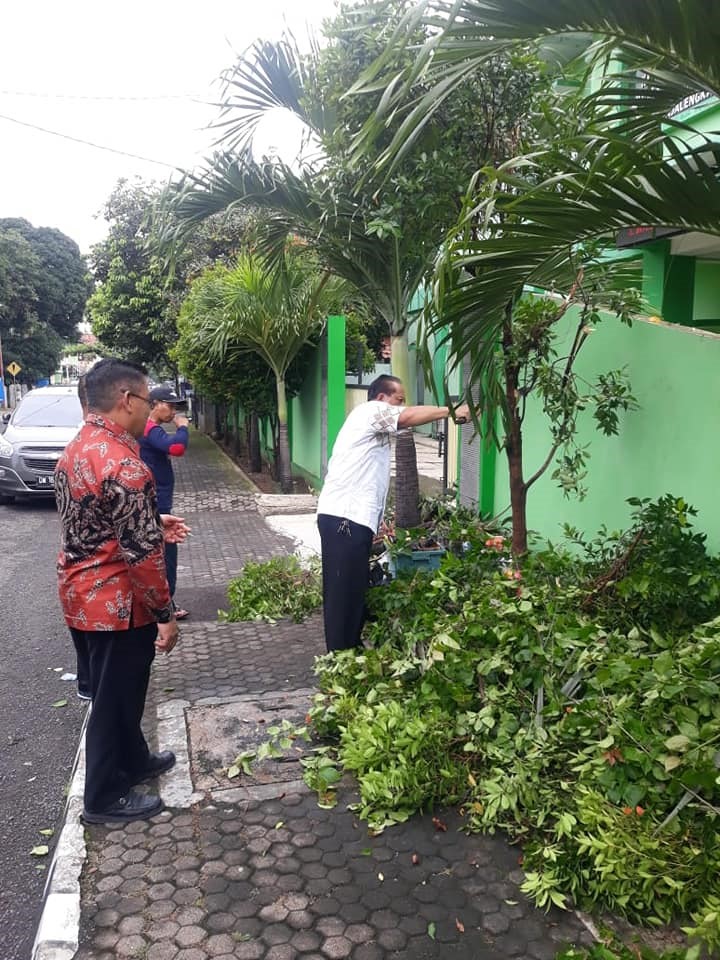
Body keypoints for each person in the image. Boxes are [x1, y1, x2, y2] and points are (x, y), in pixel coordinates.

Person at [55, 358, 188, 824]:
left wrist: (154, 521)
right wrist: (165, 614)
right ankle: (103, 798)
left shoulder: (79, 448)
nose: (151, 407)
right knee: (116, 699)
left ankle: (134, 761)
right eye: (147, 398)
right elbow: (143, 557)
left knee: (122, 690)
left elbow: (96, 523)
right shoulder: (124, 464)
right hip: (116, 603)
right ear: (127, 400)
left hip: (80, 594)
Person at [316, 374, 470, 653]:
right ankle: (339, 659)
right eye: (398, 400)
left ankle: (351, 650)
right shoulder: (370, 411)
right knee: (342, 594)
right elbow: (409, 416)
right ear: (381, 398)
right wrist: (451, 410)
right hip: (344, 519)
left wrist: (377, 520)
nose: (401, 406)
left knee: (353, 589)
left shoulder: (373, 430)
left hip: (351, 519)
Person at [139, 386, 190, 620]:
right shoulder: (150, 429)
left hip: (155, 499)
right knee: (166, 553)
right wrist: (183, 428)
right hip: (157, 502)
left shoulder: (147, 428)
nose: (173, 411)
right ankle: (165, 605)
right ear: (155, 403)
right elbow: (177, 448)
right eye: (169, 406)